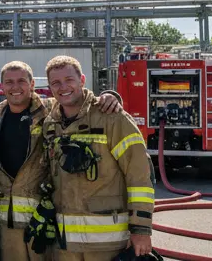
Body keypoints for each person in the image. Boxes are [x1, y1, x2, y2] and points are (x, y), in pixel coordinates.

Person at [0, 61, 123, 261]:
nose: (15, 87)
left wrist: (111, 97)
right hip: (8, 220)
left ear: (32, 84)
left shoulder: (50, 111)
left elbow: (81, 102)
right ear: (1, 87)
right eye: (9, 82)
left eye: (21, 81)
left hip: (44, 217)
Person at [42, 55, 154, 261]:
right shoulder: (51, 124)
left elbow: (139, 177)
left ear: (82, 80)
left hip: (108, 243)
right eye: (56, 83)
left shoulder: (112, 118)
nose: (63, 87)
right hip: (65, 244)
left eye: (69, 80)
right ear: (50, 87)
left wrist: (141, 230)